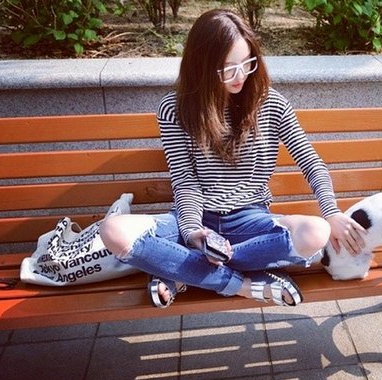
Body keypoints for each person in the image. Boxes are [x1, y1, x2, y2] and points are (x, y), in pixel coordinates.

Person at [99, 9, 366, 308]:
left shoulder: (271, 104)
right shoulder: (175, 109)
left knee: (316, 232)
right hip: (195, 219)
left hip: (250, 222)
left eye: (247, 63)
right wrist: (193, 233)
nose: (240, 76)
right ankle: (242, 283)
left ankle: (184, 270)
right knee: (112, 230)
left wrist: (331, 212)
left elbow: (311, 163)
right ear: (202, 67)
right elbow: (185, 181)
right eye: (228, 68)